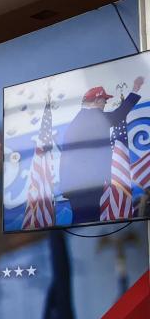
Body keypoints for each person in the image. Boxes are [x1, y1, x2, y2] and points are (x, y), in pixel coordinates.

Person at [60, 76, 144, 225]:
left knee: (82, 222)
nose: (105, 104)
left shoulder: (78, 120)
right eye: (105, 101)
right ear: (97, 101)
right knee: (88, 222)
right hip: (87, 185)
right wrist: (134, 90)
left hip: (77, 186)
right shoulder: (92, 116)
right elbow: (118, 115)